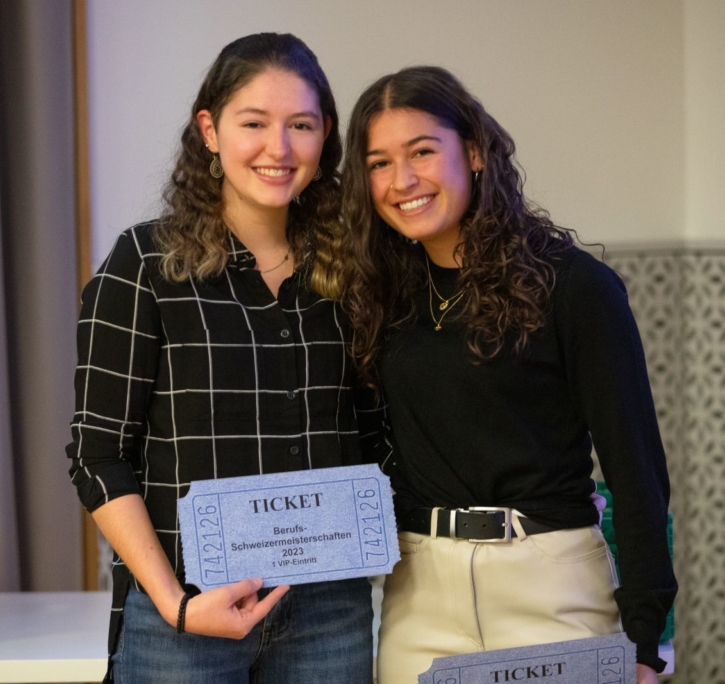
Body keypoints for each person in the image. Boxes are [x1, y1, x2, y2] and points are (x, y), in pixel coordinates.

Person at [339, 66, 677, 684]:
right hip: (419, 597)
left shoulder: (574, 287)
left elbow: (638, 473)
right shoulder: (382, 296)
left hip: (551, 588)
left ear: (473, 152)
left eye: (422, 151)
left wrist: (645, 639)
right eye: (379, 163)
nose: (402, 180)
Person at [67, 33, 381, 684]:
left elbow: (377, 435)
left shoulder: (355, 267)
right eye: (254, 123)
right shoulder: (144, 265)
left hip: (329, 611)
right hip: (184, 617)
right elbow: (97, 455)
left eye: (301, 125)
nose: (279, 148)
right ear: (209, 131)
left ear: (325, 136)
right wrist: (175, 604)